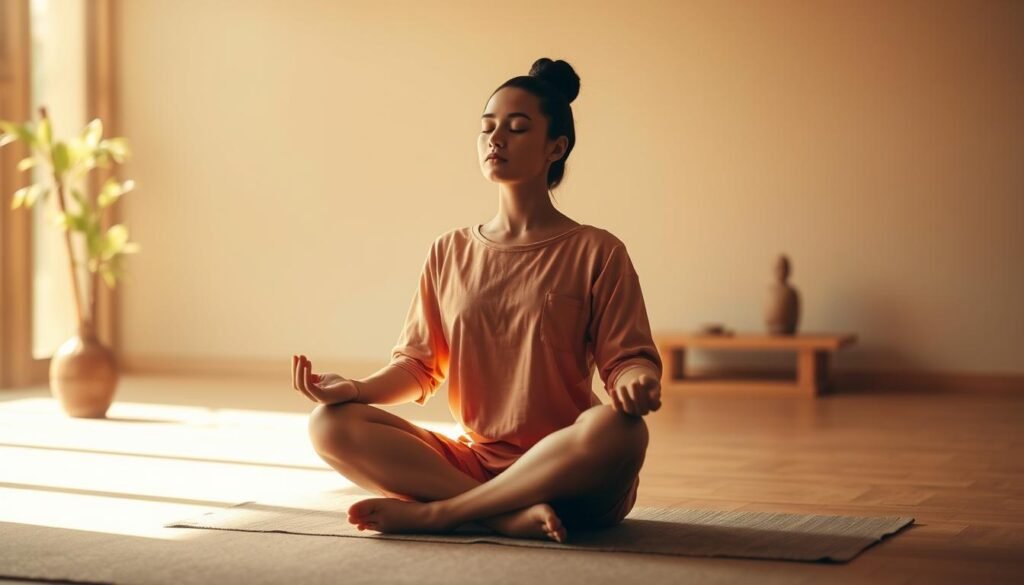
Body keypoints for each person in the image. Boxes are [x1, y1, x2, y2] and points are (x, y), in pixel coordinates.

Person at [293, 58, 662, 544]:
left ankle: (442, 515)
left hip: (570, 471)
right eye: (487, 127)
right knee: (329, 425)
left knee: (623, 431)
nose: (496, 139)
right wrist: (355, 391)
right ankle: (500, 516)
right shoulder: (449, 250)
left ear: (557, 147)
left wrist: (639, 381)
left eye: (517, 127)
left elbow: (626, 360)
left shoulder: (597, 251)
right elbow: (419, 367)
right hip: (473, 465)